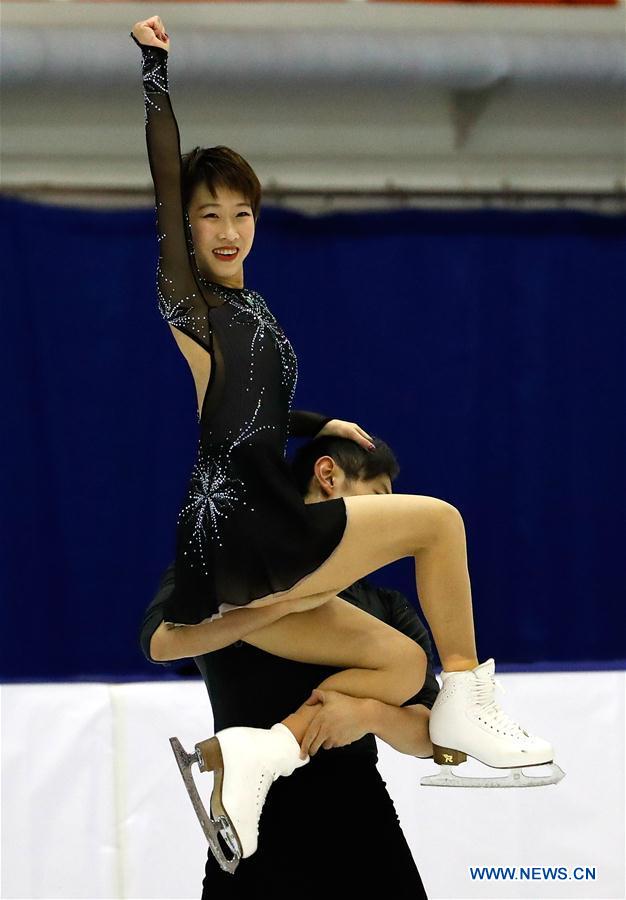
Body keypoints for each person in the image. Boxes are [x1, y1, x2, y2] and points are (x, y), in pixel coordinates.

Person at [129, 13, 560, 871]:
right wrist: (155, 74)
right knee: (439, 523)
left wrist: (312, 422)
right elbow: (163, 179)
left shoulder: (252, 310)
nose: (224, 228)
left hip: (255, 537)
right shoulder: (194, 304)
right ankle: (472, 694)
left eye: (240, 213)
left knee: (401, 662)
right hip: (248, 525)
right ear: (183, 227)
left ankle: (261, 756)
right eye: (206, 213)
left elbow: (245, 412)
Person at [140, 434, 439, 897]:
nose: (389, 523)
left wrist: (366, 715)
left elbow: (429, 736)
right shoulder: (231, 572)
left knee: (407, 660)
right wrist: (277, 606)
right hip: (249, 824)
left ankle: (271, 745)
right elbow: (161, 642)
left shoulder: (385, 606)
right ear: (328, 476)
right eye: (380, 498)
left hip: (361, 825)